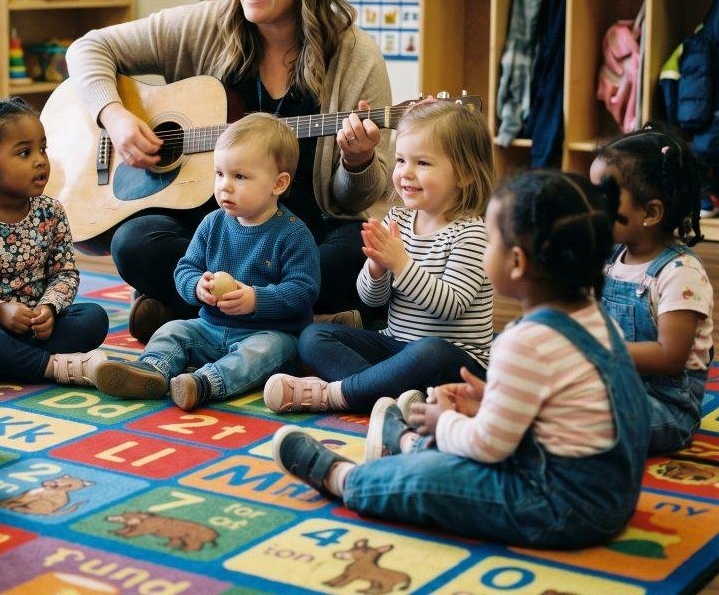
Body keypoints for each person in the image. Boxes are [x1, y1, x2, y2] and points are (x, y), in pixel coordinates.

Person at [65, 0, 392, 343]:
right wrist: (115, 115)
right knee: (134, 243)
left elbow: (360, 198)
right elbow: (87, 48)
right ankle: (291, 321)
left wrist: (356, 162)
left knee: (360, 251)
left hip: (301, 234)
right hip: (213, 230)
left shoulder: (354, 57)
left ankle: (191, 312)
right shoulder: (205, 25)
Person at [273, 170, 650, 549]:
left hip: (558, 507)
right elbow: (561, 406)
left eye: (492, 243)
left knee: (431, 480)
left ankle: (345, 478)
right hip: (612, 492)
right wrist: (489, 398)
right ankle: (407, 443)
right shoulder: (596, 318)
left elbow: (488, 447)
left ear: (516, 262)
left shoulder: (523, 342)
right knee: (459, 452)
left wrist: (445, 422)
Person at [264, 99, 495, 413]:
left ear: (465, 174)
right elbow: (372, 301)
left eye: (423, 163)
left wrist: (400, 264)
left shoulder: (472, 234)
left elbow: (449, 307)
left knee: (431, 351)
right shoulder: (397, 220)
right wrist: (376, 269)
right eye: (401, 160)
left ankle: (336, 394)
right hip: (397, 346)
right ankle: (387, 393)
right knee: (313, 337)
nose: (405, 173)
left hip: (455, 360)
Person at [91, 113, 319, 409]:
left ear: (278, 183)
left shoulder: (293, 234)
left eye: (239, 176)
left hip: (268, 333)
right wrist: (197, 286)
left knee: (264, 352)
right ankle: (152, 372)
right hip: (209, 328)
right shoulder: (213, 224)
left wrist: (256, 300)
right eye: (219, 174)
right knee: (172, 331)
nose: (224, 186)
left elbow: (304, 290)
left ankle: (204, 383)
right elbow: (185, 269)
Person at [0, 98, 110, 391]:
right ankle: (52, 367)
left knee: (94, 318)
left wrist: (50, 308)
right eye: (25, 152)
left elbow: (65, 273)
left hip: (36, 328)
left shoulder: (51, 211)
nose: (40, 160)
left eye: (43, 149)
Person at [590, 127, 713, 454]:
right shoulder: (613, 256)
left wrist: (595, 351)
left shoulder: (680, 273)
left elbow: (670, 358)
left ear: (650, 213)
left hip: (665, 406)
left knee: (585, 417)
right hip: (613, 384)